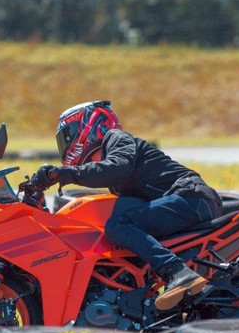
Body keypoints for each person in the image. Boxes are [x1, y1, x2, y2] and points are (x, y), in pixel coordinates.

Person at [30, 100, 223, 310]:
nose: (66, 144)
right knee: (119, 221)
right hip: (185, 202)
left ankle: (178, 272)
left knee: (117, 225)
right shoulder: (115, 175)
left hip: (191, 197)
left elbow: (115, 168)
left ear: (92, 124)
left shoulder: (117, 139)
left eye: (68, 135)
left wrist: (65, 173)